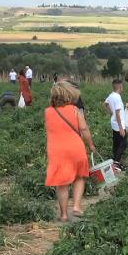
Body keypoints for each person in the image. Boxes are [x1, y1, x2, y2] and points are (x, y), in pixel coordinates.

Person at [44, 81, 95, 222]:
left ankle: (63, 215)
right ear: (70, 95)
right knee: (79, 177)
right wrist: (90, 144)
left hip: (56, 150)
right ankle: (77, 206)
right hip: (75, 148)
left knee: (62, 183)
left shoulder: (48, 112)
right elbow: (84, 129)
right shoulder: (75, 110)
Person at [104, 79, 127, 171]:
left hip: (114, 123)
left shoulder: (111, 95)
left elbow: (105, 104)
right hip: (119, 125)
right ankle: (116, 163)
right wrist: (121, 128)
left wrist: (111, 112)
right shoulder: (117, 97)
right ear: (120, 87)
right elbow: (118, 114)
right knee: (124, 143)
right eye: (122, 87)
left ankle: (114, 160)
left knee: (116, 143)